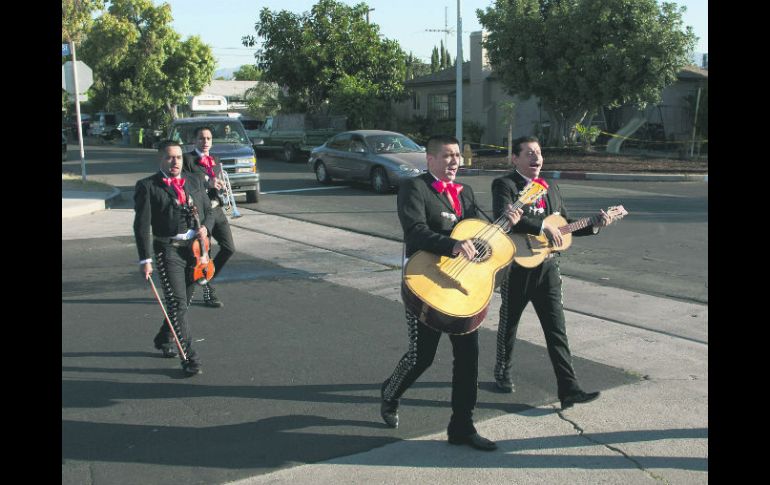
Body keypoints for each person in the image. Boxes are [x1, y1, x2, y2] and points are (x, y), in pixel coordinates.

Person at [380, 134, 522, 452]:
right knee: (422, 357)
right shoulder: (414, 188)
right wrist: (453, 245)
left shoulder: (465, 192)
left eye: (457, 155)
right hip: (426, 280)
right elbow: (414, 229)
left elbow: (481, 229)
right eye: (446, 156)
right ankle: (389, 392)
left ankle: (461, 427)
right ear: (430, 160)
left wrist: (505, 223)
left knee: (468, 358)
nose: (454, 161)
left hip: (463, 290)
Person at [491, 135, 614, 409]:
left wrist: (594, 225)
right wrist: (541, 227)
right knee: (509, 324)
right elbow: (505, 217)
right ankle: (502, 370)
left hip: (548, 269)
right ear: (516, 159)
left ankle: (569, 389)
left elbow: (564, 225)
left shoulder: (550, 188)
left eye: (539, 153)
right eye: (529, 153)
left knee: (557, 330)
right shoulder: (505, 185)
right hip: (518, 267)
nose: (536, 158)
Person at [133, 140, 213, 376]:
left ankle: (164, 337)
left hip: (196, 250)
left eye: (178, 157)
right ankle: (190, 357)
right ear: (161, 159)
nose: (175, 161)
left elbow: (210, 211)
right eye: (170, 157)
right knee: (177, 303)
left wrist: (206, 228)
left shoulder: (195, 180)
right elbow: (141, 226)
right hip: (167, 249)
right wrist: (144, 259)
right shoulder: (147, 186)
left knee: (184, 302)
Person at [182, 126, 236, 308]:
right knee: (205, 253)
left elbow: (217, 181)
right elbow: (187, 180)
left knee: (229, 248)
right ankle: (208, 292)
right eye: (202, 138)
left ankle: (206, 279)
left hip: (216, 209)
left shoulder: (215, 160)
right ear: (195, 140)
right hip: (201, 212)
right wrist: (207, 181)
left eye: (209, 138)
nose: (205, 142)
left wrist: (223, 187)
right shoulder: (187, 159)